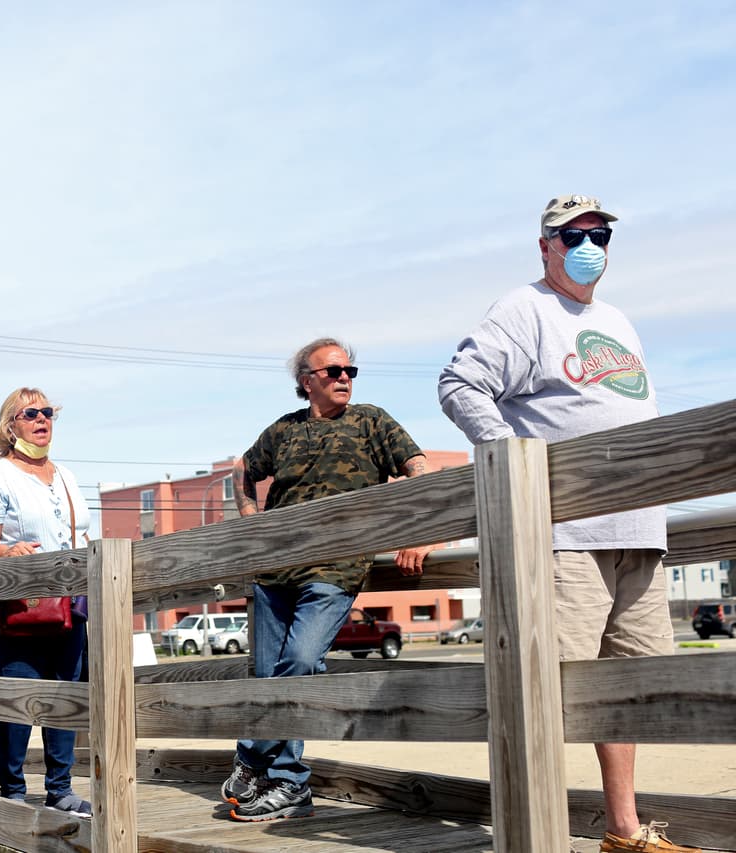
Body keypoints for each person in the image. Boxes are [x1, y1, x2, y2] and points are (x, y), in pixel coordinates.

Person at [438, 194, 697, 853]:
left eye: (599, 235)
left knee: (629, 692)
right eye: (572, 235)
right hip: (566, 535)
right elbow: (460, 384)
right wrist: (513, 461)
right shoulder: (524, 309)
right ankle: (532, 833)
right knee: (546, 694)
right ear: (545, 245)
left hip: (639, 532)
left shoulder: (617, 321)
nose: (588, 246)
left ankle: (623, 830)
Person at [224, 338, 430, 822]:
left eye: (349, 371)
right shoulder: (285, 430)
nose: (344, 378)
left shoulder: (372, 421)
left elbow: (419, 469)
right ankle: (288, 784)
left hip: (336, 569)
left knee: (300, 661)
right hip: (274, 571)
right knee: (268, 676)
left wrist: (421, 533)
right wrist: (251, 521)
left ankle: (251, 756)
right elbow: (242, 469)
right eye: (333, 371)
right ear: (307, 381)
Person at [0, 387, 92, 817]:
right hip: (20, 604)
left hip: (69, 603)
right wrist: (7, 551)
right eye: (31, 413)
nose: (42, 419)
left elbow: (80, 534)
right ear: (11, 426)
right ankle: (13, 791)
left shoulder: (66, 476)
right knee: (19, 696)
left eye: (48, 412)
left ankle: (61, 789)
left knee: (64, 694)